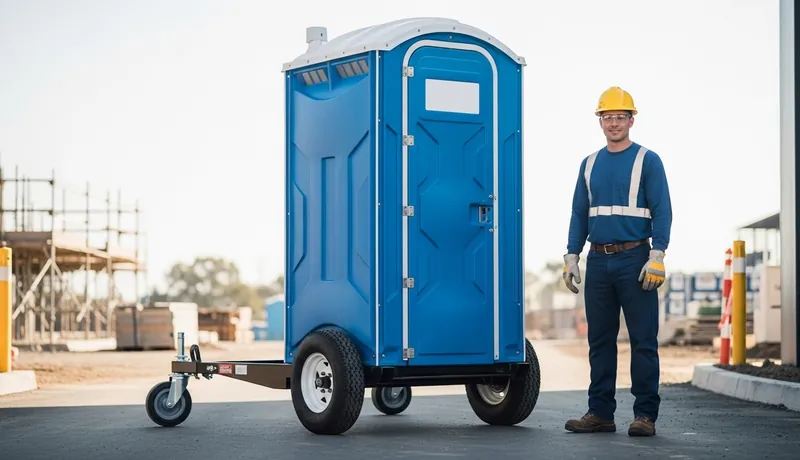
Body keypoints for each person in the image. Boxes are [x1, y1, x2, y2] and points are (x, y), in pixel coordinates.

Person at [561, 86, 672, 437]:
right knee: (600, 340)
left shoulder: (648, 160)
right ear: (600, 121)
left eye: (620, 117)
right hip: (598, 262)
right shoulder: (589, 163)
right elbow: (579, 212)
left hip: (635, 259)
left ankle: (645, 416)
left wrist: (658, 255)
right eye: (607, 117)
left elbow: (663, 210)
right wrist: (571, 256)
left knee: (642, 340)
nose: (613, 123)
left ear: (631, 119)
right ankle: (600, 413)